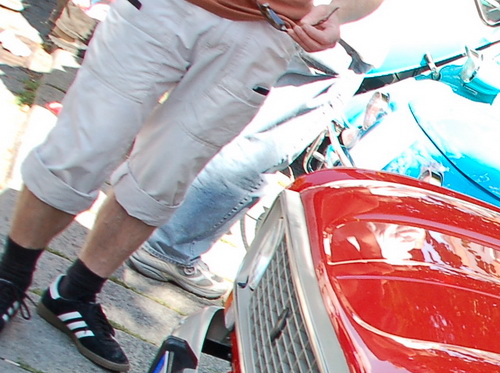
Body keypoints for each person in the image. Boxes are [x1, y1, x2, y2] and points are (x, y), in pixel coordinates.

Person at [0, 0, 381, 372]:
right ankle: (11, 278)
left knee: (165, 176)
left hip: (264, 31)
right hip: (161, 10)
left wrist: (337, 12)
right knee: (85, 145)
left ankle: (76, 293)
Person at [127, 40, 373, 299]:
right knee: (258, 150)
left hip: (325, 35)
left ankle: (158, 225)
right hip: (343, 42)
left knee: (243, 124)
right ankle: (168, 248)